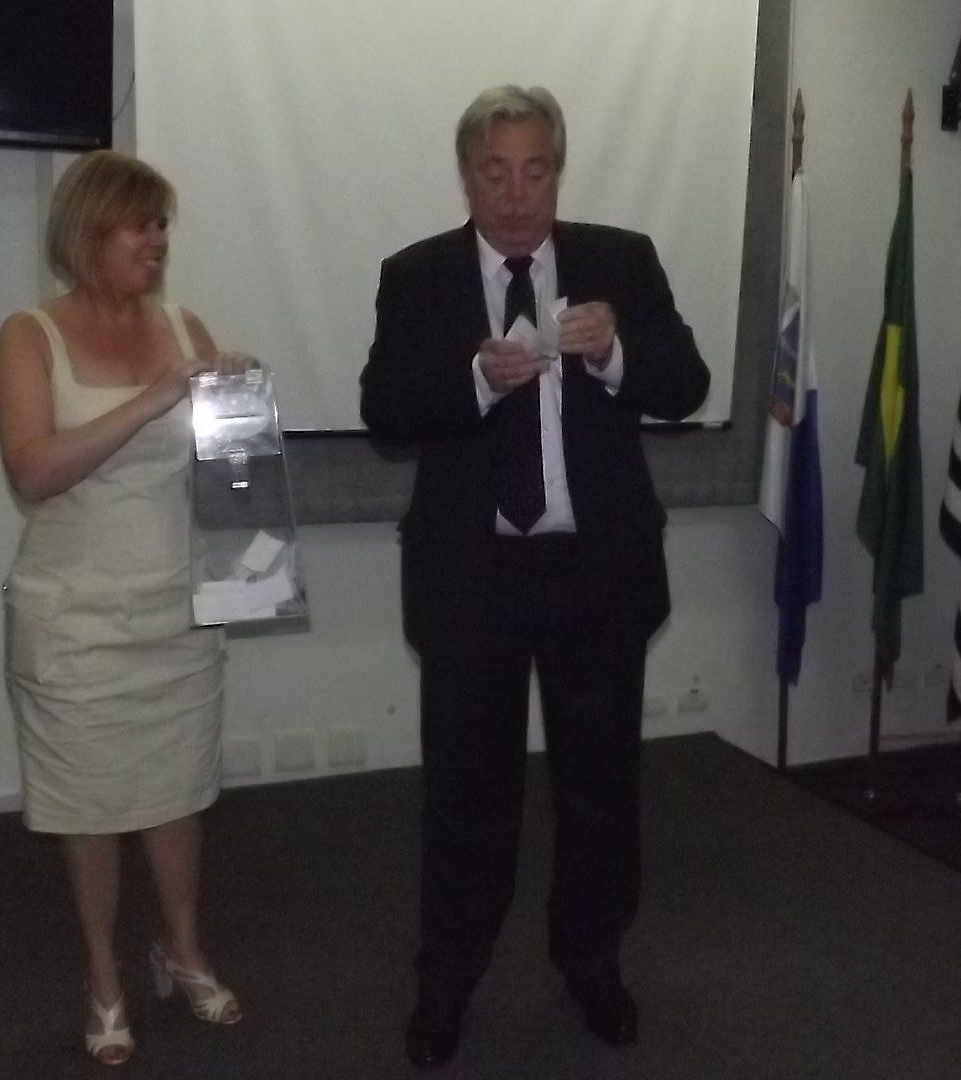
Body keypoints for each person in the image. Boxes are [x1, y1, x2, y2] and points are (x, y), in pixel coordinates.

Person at [359, 84, 710, 1068]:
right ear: (467, 177)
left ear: (559, 170)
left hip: (596, 573)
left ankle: (592, 963)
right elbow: (385, 409)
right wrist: (473, 379)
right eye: (495, 173)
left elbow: (687, 384)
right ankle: (448, 979)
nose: (516, 196)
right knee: (466, 794)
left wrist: (616, 355)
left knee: (601, 787)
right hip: (471, 580)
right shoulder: (418, 274)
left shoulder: (621, 260)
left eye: (535, 171)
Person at [0, 149, 247, 1067]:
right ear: (88, 231)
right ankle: (103, 974)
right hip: (75, 620)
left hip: (177, 608)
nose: (157, 241)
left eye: (162, 224)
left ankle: (182, 949)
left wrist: (243, 413)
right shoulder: (30, 336)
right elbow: (32, 469)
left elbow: (224, 470)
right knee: (90, 806)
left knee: (178, 794)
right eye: (140, 224)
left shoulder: (184, 326)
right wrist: (154, 399)